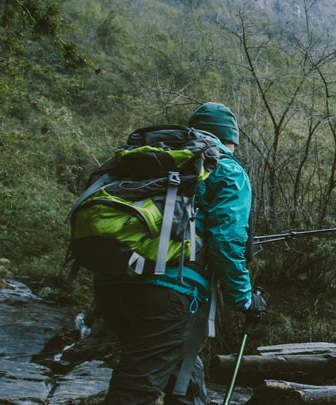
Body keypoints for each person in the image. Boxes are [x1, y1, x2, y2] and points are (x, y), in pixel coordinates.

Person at [95, 102, 264, 404]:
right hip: (170, 290)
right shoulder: (225, 167)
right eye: (233, 144)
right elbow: (226, 241)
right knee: (137, 387)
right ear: (228, 139)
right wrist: (245, 299)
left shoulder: (155, 159)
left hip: (112, 284)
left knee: (182, 377)